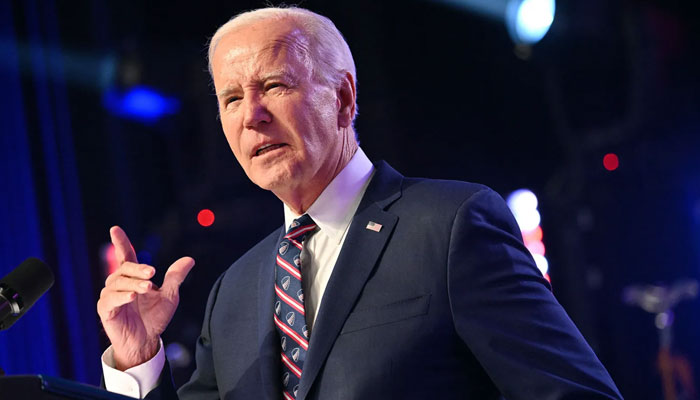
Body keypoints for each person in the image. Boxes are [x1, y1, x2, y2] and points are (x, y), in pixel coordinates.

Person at [97, 6, 623, 400]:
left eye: (274, 85)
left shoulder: (448, 227)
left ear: (344, 98)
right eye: (231, 98)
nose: (250, 115)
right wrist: (138, 358)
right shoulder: (232, 292)